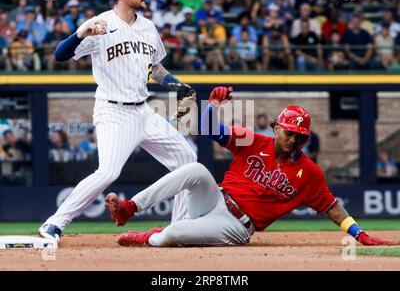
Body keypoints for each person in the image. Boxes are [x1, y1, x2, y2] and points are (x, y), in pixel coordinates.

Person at [104, 86, 392, 247]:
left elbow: (332, 207)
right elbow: (207, 128)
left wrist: (359, 234)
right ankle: (130, 209)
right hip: (214, 198)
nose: (293, 139)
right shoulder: (253, 140)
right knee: (195, 169)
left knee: (174, 235)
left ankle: (149, 237)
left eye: (300, 136)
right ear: (277, 128)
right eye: (289, 132)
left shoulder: (310, 173)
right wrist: (213, 105)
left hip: (235, 226)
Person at [38, 0, 197, 242]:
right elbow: (60, 55)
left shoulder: (147, 26)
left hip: (143, 110)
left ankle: (179, 228)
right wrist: (79, 34)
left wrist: (174, 83)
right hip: (113, 110)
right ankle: (54, 223)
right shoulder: (100, 24)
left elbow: (153, 68)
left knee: (187, 160)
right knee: (109, 171)